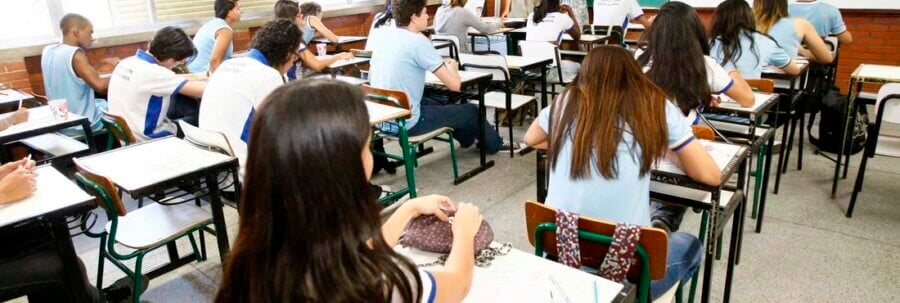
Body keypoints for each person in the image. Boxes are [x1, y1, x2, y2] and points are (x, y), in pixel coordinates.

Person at [214, 79, 481, 303]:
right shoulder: (378, 284)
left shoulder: (251, 262)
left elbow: (354, 252)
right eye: (367, 147)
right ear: (342, 169)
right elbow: (457, 283)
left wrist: (408, 209)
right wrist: (464, 231)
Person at [523, 46, 719, 300]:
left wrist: (572, 141)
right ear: (635, 75)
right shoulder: (655, 105)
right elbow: (710, 176)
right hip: (628, 267)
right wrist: (666, 150)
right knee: (690, 245)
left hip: (560, 254)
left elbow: (532, 139)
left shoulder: (566, 101)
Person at [637, 1, 753, 232]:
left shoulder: (639, 57)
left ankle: (650, 216)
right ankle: (664, 218)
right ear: (695, 31)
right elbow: (747, 99)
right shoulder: (705, 65)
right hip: (678, 148)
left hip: (637, 146)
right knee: (692, 163)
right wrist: (732, 71)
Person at [368, 0, 507, 154]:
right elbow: (455, 85)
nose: (428, 16)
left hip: (384, 119)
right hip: (409, 122)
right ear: (414, 17)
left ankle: (467, 138)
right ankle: (495, 144)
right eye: (425, 12)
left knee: (440, 101)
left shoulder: (385, 38)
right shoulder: (418, 41)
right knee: (471, 110)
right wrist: (453, 68)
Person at [199, 18, 300, 179]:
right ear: (287, 52)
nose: (292, 63)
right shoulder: (267, 75)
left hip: (214, 169)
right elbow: (284, 130)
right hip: (242, 176)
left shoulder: (227, 65)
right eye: (295, 57)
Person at [108, 26, 207, 142]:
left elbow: (169, 79)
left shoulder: (128, 62)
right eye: (180, 62)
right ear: (171, 60)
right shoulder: (156, 73)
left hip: (128, 133)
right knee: (199, 118)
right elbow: (206, 90)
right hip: (150, 138)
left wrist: (199, 76)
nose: (180, 65)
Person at [41, 14, 118, 144]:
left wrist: (101, 63)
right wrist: (121, 72)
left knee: (101, 103)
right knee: (123, 110)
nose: (92, 38)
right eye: (90, 33)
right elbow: (99, 85)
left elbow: (74, 75)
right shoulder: (75, 53)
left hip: (62, 122)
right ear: (76, 32)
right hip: (82, 124)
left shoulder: (48, 50)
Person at [709, 0, 802, 79]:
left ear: (717, 20)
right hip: (751, 94)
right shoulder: (765, 41)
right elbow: (795, 70)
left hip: (714, 95)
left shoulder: (709, 42)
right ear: (749, 17)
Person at [273, 0, 353, 80]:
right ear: (292, 18)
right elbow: (317, 65)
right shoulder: (295, 40)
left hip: (281, 80)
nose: (302, 17)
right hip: (293, 81)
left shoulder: (277, 34)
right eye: (299, 15)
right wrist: (339, 56)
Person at [753, 0, 833, 63]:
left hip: (747, 80)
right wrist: (802, 51)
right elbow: (827, 58)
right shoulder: (801, 24)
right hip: (785, 81)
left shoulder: (746, 23)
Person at [525, 0, 581, 83]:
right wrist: (570, 13)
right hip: (549, 72)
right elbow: (577, 36)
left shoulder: (531, 16)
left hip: (529, 71)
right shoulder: (563, 18)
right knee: (579, 67)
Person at [188, 0, 242, 73]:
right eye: (237, 9)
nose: (241, 12)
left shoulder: (213, 24)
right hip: (203, 74)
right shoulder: (224, 30)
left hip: (193, 71)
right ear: (229, 12)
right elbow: (214, 62)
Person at [434, 0, 501, 53]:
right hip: (460, 56)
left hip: (441, 56)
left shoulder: (439, 10)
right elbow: (486, 29)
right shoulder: (463, 12)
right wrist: (499, 23)